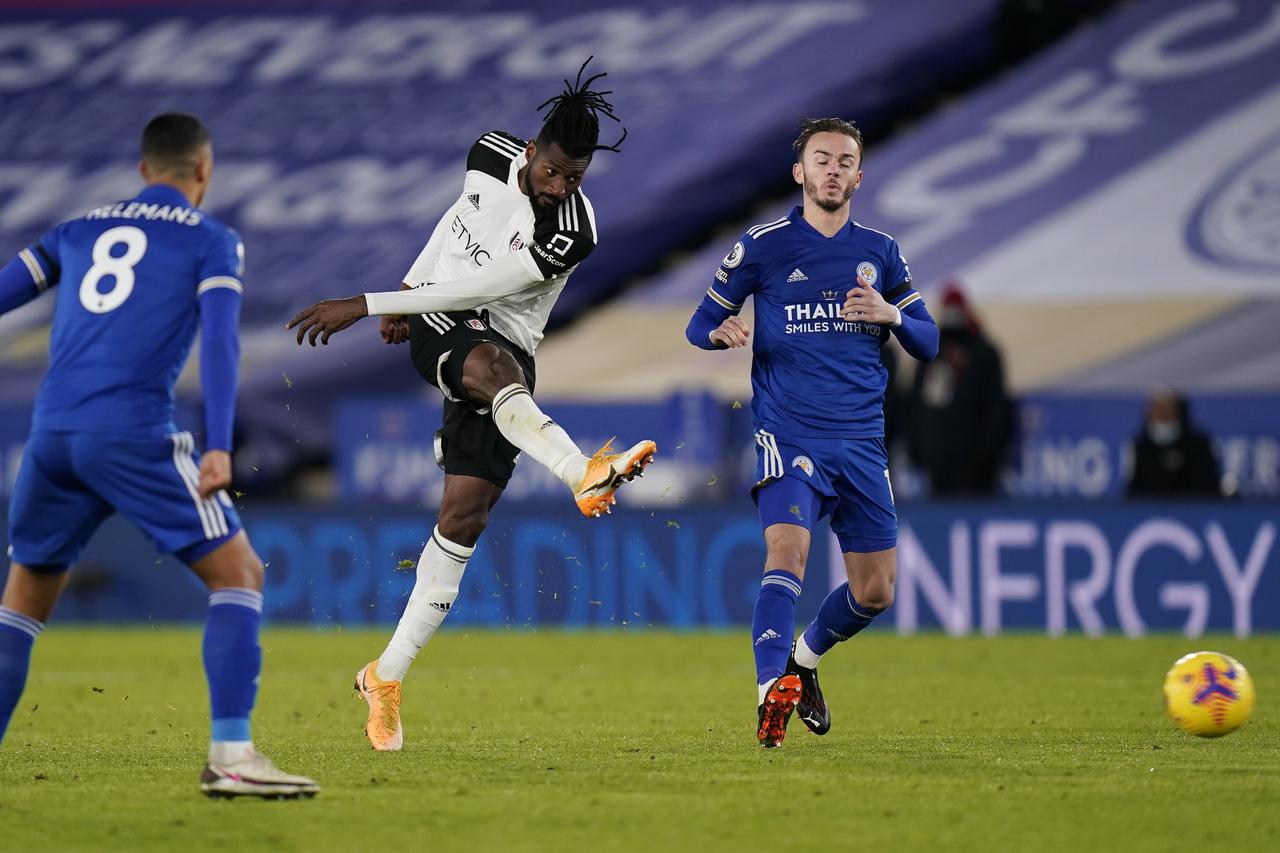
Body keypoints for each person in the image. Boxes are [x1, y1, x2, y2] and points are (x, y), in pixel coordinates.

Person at [285, 59, 656, 751]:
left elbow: (486, 283)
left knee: (462, 520)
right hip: (455, 336)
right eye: (552, 171)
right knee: (486, 361)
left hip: (501, 351)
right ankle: (583, 471)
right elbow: (455, 224)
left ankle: (383, 676)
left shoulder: (573, 231)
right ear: (531, 151)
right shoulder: (489, 151)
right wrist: (398, 288)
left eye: (574, 178)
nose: (559, 187)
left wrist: (376, 302)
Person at [0, 114, 318, 797]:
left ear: (144, 169)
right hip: (133, 433)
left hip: (50, 436)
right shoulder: (211, 241)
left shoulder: (75, 229)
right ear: (202, 171)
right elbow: (222, 344)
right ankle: (232, 757)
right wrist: (222, 444)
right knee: (239, 573)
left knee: (21, 603)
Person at [685, 117, 938, 747]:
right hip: (788, 433)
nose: (832, 169)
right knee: (787, 551)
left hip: (861, 442)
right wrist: (718, 332)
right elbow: (699, 323)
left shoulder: (882, 253)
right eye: (821, 159)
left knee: (875, 592)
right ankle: (771, 686)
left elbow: (929, 341)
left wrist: (891, 315)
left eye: (844, 160)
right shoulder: (763, 246)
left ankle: (803, 660)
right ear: (799, 172)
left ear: (859, 175)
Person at [905, 282, 1011, 496]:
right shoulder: (931, 353)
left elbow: (995, 407)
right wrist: (918, 451)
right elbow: (915, 405)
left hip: (975, 465)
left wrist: (989, 453)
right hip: (938, 461)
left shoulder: (983, 354)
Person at [1127, 390, 1221, 497]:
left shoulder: (1199, 445)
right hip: (1150, 510)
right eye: (1157, 408)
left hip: (1193, 508)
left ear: (1179, 410)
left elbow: (1208, 487)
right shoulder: (1139, 447)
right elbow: (1132, 491)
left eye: (1168, 408)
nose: (1162, 414)